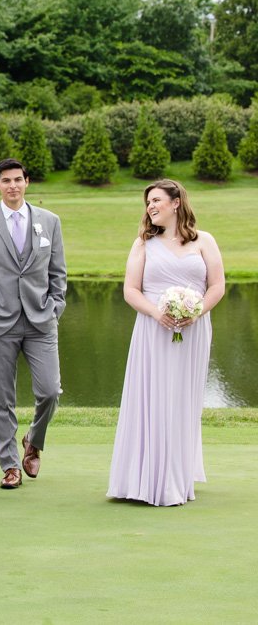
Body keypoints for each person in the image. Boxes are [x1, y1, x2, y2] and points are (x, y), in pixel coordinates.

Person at [107, 180, 224, 506]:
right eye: (148, 202)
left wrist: (197, 311)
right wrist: (157, 314)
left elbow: (217, 285)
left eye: (156, 200)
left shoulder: (204, 241)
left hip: (194, 331)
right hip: (152, 329)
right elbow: (131, 290)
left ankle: (177, 474)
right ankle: (144, 478)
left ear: (176, 203)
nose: (150, 207)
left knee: (182, 399)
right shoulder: (143, 244)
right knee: (152, 397)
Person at [0, 158, 67, 489]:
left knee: (50, 390)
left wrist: (55, 307)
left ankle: (33, 440)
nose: (12, 186)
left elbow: (58, 272)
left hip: (41, 320)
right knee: (2, 397)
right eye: (5, 181)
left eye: (18, 180)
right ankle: (10, 465)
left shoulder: (49, 222)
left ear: (27, 182)